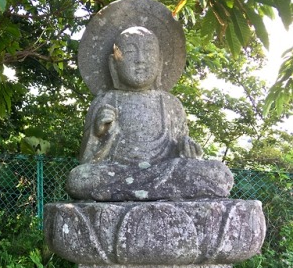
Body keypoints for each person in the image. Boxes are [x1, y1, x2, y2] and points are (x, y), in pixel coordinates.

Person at [66, 27, 234, 201]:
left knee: (220, 174)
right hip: (118, 172)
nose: (141, 60)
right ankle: (160, 192)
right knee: (79, 178)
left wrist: (186, 148)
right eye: (130, 52)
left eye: (149, 52)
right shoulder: (105, 101)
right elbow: (87, 161)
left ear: (160, 61)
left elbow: (181, 153)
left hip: (164, 170)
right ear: (113, 62)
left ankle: (130, 194)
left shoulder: (171, 104)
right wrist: (99, 134)